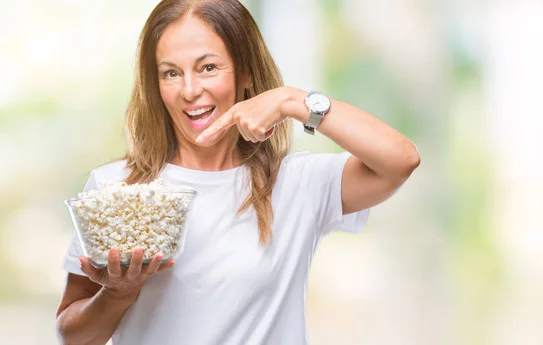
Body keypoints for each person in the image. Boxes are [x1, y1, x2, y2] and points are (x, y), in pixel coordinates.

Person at [55, 0, 420, 344]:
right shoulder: (116, 187)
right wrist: (117, 293)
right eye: (170, 73)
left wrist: (290, 100)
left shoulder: (296, 183)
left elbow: (400, 159)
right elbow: (73, 335)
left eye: (208, 67)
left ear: (245, 73)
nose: (189, 90)